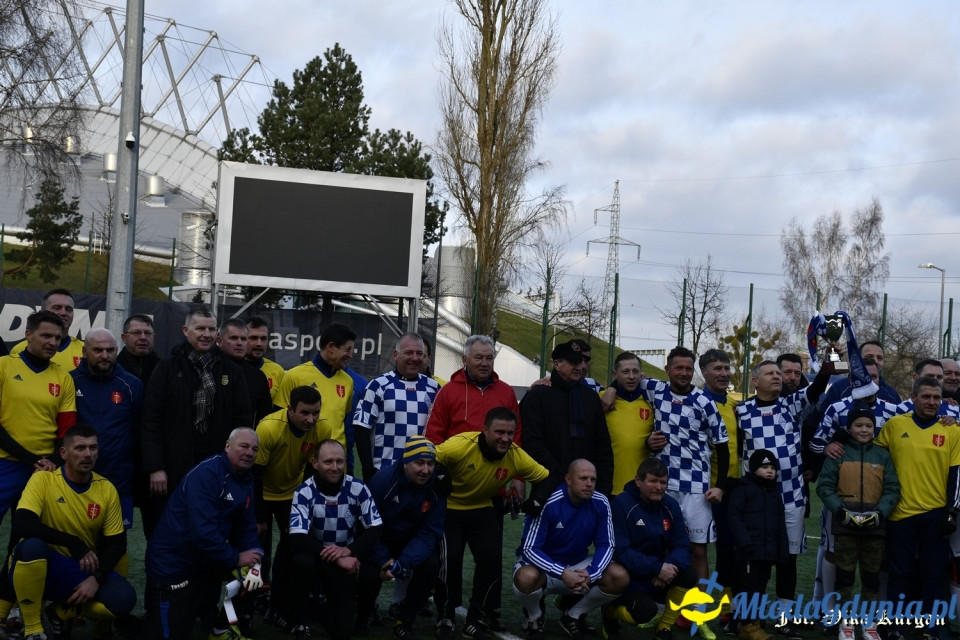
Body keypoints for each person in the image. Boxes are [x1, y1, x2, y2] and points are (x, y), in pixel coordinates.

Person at [9, 424, 136, 640]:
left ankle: (58, 613)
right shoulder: (43, 479)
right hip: (45, 565)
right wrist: (74, 543)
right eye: (80, 448)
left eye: (93, 448)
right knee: (31, 547)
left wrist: (96, 578)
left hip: (81, 569)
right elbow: (22, 523)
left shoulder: (106, 489)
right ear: (63, 453)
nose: (88, 454)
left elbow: (117, 543)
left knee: (124, 599)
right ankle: (33, 630)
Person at [735, 359, 832, 639]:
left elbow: (815, 391)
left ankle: (784, 617)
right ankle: (747, 618)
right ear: (755, 381)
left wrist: (828, 364)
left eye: (779, 373)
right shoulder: (741, 411)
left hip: (791, 494)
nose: (777, 377)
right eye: (770, 373)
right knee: (757, 559)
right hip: (757, 499)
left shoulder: (791, 404)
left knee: (788, 558)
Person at [433, 407, 550, 640]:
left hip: (481, 508)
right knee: (450, 558)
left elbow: (545, 477)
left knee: (492, 558)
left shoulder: (516, 455)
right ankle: (445, 616)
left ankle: (476, 618)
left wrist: (536, 500)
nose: (505, 438)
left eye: (510, 433)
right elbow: (427, 459)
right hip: (450, 508)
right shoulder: (460, 445)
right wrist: (439, 475)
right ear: (484, 430)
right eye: (499, 432)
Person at [139, 306, 253, 539]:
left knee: (210, 534)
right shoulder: (166, 368)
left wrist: (231, 465)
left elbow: (242, 421)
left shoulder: (232, 371)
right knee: (169, 536)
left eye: (211, 329)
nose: (206, 334)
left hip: (217, 470)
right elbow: (151, 419)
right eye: (200, 328)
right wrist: (155, 467)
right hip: (172, 470)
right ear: (185, 330)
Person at [144, 427, 264, 640]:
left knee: (254, 576)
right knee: (172, 635)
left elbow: (246, 525)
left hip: (205, 559)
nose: (250, 453)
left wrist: (254, 553)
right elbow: (203, 533)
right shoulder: (206, 475)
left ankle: (220, 629)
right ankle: (125, 623)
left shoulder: (246, 477)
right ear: (228, 446)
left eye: (254, 449)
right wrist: (235, 558)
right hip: (174, 565)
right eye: (244, 446)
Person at [874, 377, 960, 640]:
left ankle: (932, 628)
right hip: (900, 514)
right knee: (899, 573)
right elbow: (877, 463)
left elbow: (956, 475)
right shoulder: (894, 426)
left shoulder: (952, 430)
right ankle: (896, 627)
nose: (931, 402)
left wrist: (951, 511)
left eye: (936, 397)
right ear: (913, 398)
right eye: (926, 397)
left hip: (936, 515)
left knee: (933, 575)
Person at [641, 346, 727, 597]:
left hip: (697, 489)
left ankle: (698, 611)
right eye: (678, 367)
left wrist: (719, 485)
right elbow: (626, 378)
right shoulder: (654, 390)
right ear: (667, 369)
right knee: (662, 548)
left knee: (698, 551)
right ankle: (664, 606)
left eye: (688, 368)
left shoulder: (705, 402)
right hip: (663, 487)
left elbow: (722, 447)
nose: (683, 372)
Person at [513, 459, 629, 640]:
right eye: (583, 478)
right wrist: (562, 573)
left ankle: (573, 616)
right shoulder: (549, 502)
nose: (589, 484)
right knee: (525, 577)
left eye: (593, 479)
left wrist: (592, 573)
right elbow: (529, 549)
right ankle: (535, 618)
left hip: (578, 565)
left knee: (619, 576)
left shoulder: (601, 502)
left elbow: (606, 544)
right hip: (546, 568)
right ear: (568, 479)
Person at [816, 405, 900, 640]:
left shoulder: (883, 455)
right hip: (845, 525)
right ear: (849, 427)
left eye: (869, 426)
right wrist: (841, 511)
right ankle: (846, 622)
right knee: (845, 576)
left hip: (875, 527)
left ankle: (869, 622)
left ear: (875, 428)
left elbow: (893, 488)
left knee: (871, 576)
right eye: (859, 425)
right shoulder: (839, 453)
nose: (864, 430)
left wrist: (880, 513)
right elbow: (824, 486)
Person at [288, 439, 383, 640]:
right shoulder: (304, 492)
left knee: (342, 632)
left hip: (344, 559)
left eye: (339, 461)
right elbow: (297, 537)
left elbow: (375, 528)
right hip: (317, 557)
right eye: (328, 462)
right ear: (315, 463)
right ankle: (301, 622)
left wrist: (348, 551)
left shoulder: (358, 487)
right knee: (300, 561)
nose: (335, 467)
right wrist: (337, 556)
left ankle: (318, 607)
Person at [358, 436, 446, 640]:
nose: (426, 470)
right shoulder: (382, 482)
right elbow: (366, 525)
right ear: (406, 462)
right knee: (369, 575)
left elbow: (431, 532)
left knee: (431, 564)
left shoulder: (436, 487)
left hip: (410, 543)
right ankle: (364, 616)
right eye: (419, 463)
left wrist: (404, 562)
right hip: (379, 540)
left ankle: (404, 620)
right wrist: (382, 559)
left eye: (430, 463)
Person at [603, 458, 697, 640]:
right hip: (630, 576)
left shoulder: (670, 505)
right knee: (644, 613)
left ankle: (664, 628)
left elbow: (682, 544)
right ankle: (609, 612)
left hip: (659, 573)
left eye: (663, 482)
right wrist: (656, 568)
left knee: (689, 573)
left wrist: (668, 568)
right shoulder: (621, 504)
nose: (659, 487)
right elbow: (620, 551)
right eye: (653, 481)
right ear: (638, 481)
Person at [253, 386, 323, 629]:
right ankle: (252, 604)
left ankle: (280, 603)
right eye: (304, 413)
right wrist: (259, 516)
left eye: (315, 413)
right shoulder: (269, 427)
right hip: (261, 492)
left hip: (290, 495)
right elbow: (255, 474)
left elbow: (313, 470)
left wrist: (304, 503)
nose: (311, 419)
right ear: (290, 409)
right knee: (256, 552)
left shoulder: (320, 428)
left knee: (291, 550)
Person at [0, 310, 76, 522]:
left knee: (30, 535)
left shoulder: (64, 378)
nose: (53, 342)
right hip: (5, 462)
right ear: (28, 335)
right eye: (46, 336)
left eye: (57, 338)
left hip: (44, 468)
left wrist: (50, 461)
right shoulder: (3, 366)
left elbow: (66, 428)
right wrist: (30, 459)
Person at [70, 328, 144, 530]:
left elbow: (139, 431)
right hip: (76, 478)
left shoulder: (131, 385)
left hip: (118, 479)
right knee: (75, 538)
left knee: (116, 542)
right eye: (98, 350)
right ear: (85, 352)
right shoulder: (69, 381)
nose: (105, 355)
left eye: (110, 350)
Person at [521, 340, 614, 500]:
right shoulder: (538, 395)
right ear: (557, 364)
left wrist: (603, 488)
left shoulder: (590, 397)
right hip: (549, 487)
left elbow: (602, 445)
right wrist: (562, 474)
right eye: (573, 362)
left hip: (588, 491)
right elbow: (531, 442)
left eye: (582, 361)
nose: (579, 367)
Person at [354, 333, 441, 479]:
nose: (414, 358)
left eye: (419, 353)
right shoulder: (377, 385)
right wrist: (368, 471)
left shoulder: (434, 388)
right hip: (385, 473)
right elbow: (361, 429)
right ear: (395, 355)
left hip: (423, 475)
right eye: (408, 353)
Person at [727, 450, 788, 640]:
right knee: (749, 588)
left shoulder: (774, 494)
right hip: (748, 552)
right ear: (753, 469)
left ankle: (754, 622)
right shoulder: (742, 489)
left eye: (772, 468)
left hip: (767, 552)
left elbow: (780, 523)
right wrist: (745, 542)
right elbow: (733, 516)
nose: (770, 471)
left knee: (760, 587)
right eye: (764, 467)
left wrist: (782, 551)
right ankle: (748, 627)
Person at [698, 349, 739, 623]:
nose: (724, 373)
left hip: (732, 487)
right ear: (704, 372)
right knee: (695, 549)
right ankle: (689, 606)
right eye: (717, 369)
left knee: (729, 548)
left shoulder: (732, 404)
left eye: (726, 368)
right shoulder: (697, 401)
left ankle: (727, 607)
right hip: (703, 488)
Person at [424, 334, 521, 444]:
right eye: (478, 357)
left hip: (498, 461)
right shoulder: (448, 392)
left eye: (489, 358)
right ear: (465, 360)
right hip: (456, 460)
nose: (484, 363)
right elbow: (434, 432)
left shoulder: (506, 392)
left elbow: (516, 433)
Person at [276, 323, 356, 449]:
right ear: (330, 347)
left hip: (336, 460)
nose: (350, 355)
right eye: (347, 350)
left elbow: (345, 424)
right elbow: (279, 422)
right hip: (303, 458)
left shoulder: (348, 381)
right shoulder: (294, 376)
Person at [604, 352, 654, 495]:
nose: (631, 376)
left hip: (643, 489)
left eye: (635, 371)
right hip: (609, 487)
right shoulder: (603, 400)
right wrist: (547, 378)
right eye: (625, 372)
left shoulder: (652, 402)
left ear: (641, 374)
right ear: (615, 374)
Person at [11, 289, 84, 371]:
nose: (63, 313)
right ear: (42, 312)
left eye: (68, 309)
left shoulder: (85, 350)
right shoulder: (19, 349)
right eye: (57, 308)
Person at [218, 318, 273, 423]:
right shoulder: (208, 369)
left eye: (244, 339)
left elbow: (265, 419)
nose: (239, 343)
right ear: (220, 341)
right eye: (234, 338)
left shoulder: (258, 377)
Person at [817, 341, 902, 406]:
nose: (875, 361)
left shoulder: (892, 395)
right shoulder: (839, 389)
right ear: (858, 359)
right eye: (869, 357)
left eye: (879, 358)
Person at [244, 316, 285, 402]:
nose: (259, 343)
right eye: (253, 338)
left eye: (263, 338)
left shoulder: (277, 371)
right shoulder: (230, 368)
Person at [116, 314, 160, 386]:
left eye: (148, 333)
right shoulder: (112, 368)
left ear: (154, 337)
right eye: (136, 333)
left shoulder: (164, 369)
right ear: (124, 338)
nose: (143, 337)